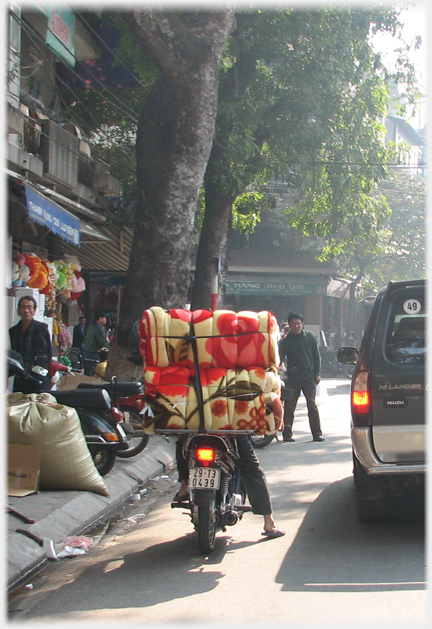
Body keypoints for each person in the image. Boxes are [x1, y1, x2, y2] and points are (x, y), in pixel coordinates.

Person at [173, 435, 285, 538]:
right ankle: (269, 522)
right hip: (229, 432)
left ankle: (184, 486)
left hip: (195, 431)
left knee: (181, 445)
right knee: (252, 469)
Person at [278, 311, 324, 442]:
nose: (296, 326)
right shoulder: (286, 341)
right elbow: (279, 359)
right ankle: (287, 434)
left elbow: (316, 356)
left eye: (298, 323)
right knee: (290, 406)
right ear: (290, 325)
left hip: (309, 377)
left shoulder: (309, 337)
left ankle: (317, 434)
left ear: (302, 324)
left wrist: (318, 374)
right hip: (292, 378)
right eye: (293, 324)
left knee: (312, 405)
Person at [9, 295, 52, 393]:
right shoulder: (13, 331)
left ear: (34, 310)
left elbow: (49, 353)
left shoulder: (41, 328)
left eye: (29, 307)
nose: (26, 311)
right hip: (21, 376)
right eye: (23, 307)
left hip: (39, 375)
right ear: (19, 310)